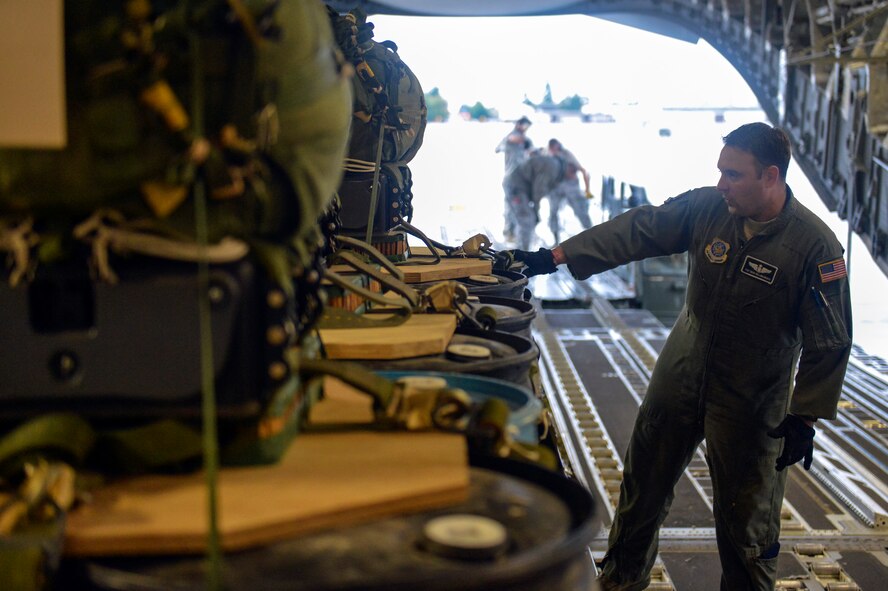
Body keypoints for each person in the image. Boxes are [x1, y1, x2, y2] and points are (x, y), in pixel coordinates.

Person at [507, 123, 853, 591]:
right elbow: (640, 228)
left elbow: (829, 339)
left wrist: (804, 415)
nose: (721, 185)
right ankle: (620, 581)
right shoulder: (709, 209)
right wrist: (556, 257)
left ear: (770, 176)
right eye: (720, 172)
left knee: (746, 520)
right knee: (642, 485)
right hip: (682, 367)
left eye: (732, 175)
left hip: (752, 395)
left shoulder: (814, 247)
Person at [503, 151, 576, 251]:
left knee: (528, 218)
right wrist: (536, 211)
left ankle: (521, 250)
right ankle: (521, 255)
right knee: (527, 219)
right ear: (570, 170)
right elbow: (538, 190)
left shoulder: (556, 168)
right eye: (572, 176)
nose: (571, 179)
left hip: (520, 186)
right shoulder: (553, 168)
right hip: (516, 185)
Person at [546, 138, 593, 243]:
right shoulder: (547, 155)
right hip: (555, 187)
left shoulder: (567, 154)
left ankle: (592, 235)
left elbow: (584, 171)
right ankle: (555, 239)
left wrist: (587, 190)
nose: (554, 151)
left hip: (571, 186)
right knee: (553, 212)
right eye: (552, 149)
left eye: (555, 149)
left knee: (580, 211)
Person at [496, 116, 534, 242]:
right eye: (525, 126)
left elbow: (531, 152)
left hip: (522, 180)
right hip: (511, 179)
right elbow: (505, 144)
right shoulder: (511, 137)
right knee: (510, 207)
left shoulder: (526, 141)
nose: (526, 129)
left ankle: (517, 234)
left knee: (519, 207)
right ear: (519, 124)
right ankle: (509, 233)